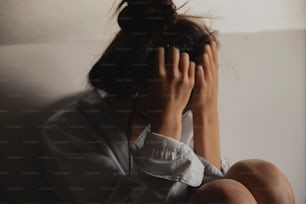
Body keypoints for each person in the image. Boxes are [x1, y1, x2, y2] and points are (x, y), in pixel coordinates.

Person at [40, 0, 295, 203]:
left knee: (265, 177)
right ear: (136, 85)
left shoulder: (187, 114)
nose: (183, 107)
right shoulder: (67, 132)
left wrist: (206, 115)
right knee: (228, 196)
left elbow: (209, 184)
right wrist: (166, 125)